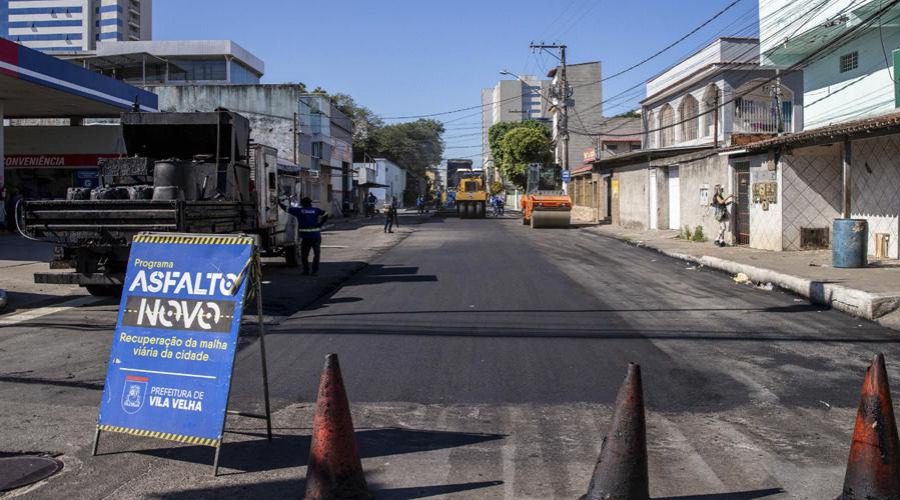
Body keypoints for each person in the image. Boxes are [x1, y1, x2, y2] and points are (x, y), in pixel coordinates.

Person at [283, 197, 328, 275]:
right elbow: (326, 214)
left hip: (306, 238)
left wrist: (278, 202)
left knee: (304, 255)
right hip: (316, 236)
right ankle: (315, 271)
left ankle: (306, 270)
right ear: (310, 203)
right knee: (316, 254)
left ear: (303, 204)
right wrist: (320, 224)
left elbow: (286, 209)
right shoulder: (315, 210)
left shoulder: (300, 211)